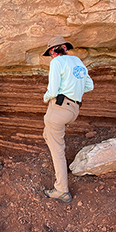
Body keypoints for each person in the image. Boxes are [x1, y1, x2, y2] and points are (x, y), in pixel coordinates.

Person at [42, 36, 94, 202]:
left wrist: (45, 98)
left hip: (59, 108)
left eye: (50, 53)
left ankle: (62, 189)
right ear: (65, 48)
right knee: (49, 135)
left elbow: (53, 90)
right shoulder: (77, 61)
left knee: (57, 150)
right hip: (73, 109)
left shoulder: (57, 63)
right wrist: (74, 90)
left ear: (52, 52)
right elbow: (89, 86)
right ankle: (59, 166)